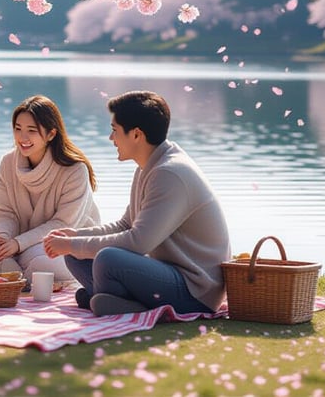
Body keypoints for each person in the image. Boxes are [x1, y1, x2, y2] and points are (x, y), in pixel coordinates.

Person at [43, 90, 231, 317]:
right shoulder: (148, 167)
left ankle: (126, 304)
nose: (111, 139)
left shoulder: (169, 174)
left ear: (136, 135)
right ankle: (114, 301)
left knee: (107, 258)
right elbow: (126, 225)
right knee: (75, 254)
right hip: (167, 275)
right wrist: (75, 237)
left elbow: (137, 242)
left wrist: (75, 244)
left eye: (114, 131)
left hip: (194, 290)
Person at [0, 95, 100, 283]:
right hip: (20, 245)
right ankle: (21, 280)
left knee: (40, 262)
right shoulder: (8, 162)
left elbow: (62, 225)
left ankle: (12, 277)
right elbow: (4, 211)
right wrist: (3, 237)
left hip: (61, 246)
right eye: (18, 129)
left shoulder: (75, 170)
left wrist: (18, 244)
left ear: (51, 134)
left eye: (32, 130)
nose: (23, 137)